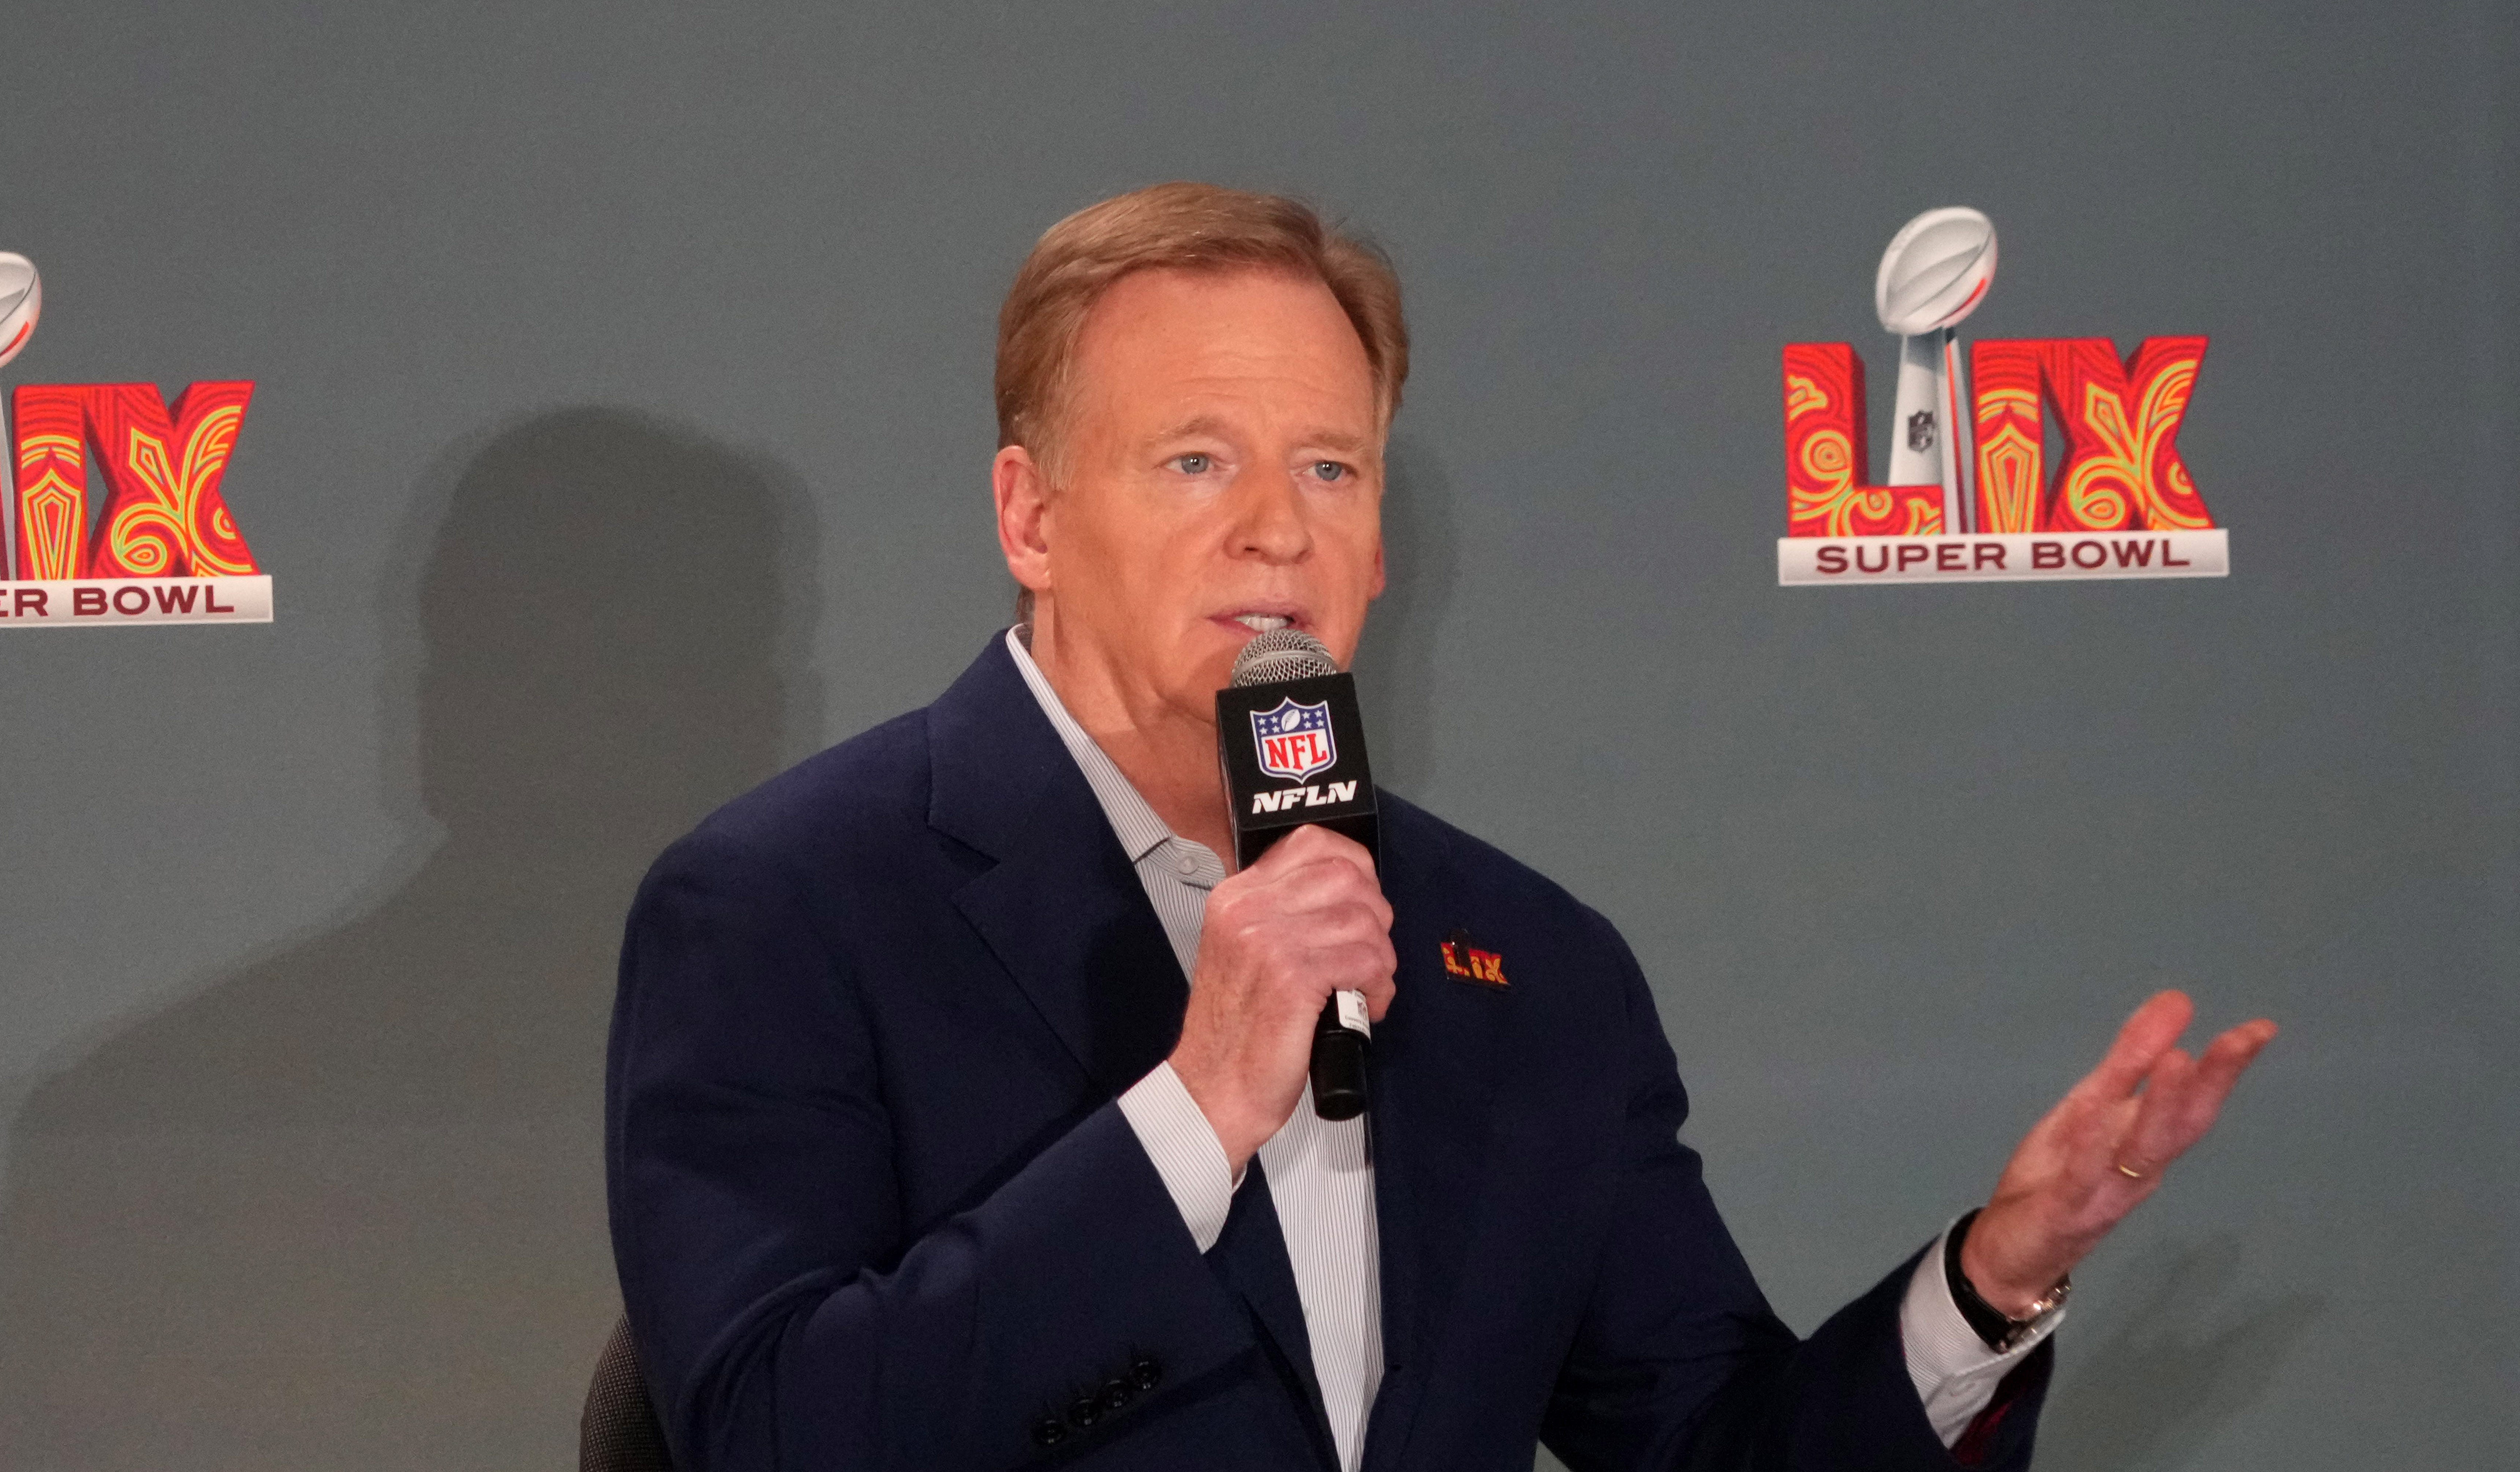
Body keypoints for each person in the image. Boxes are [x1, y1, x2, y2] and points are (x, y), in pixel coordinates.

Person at [605, 184, 2274, 1472]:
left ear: (1383, 542)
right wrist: (1198, 1110)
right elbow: (772, 1429)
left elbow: (1706, 1443)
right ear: (1029, 515)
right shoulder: (787, 906)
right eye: (1197, 459)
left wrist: (1985, 1281)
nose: (1276, 527)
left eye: (1331, 468)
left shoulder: (1524, 960)